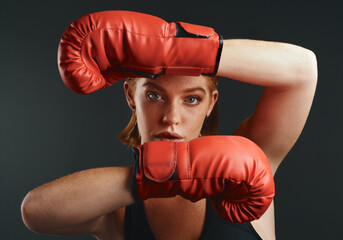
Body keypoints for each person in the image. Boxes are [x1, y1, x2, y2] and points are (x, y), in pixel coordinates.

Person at [21, 11, 317, 240]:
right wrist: (165, 174)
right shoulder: (115, 206)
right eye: (154, 95)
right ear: (130, 95)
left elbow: (303, 71)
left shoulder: (245, 172)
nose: (171, 117)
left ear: (211, 102)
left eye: (191, 99)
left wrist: (175, 48)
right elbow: (35, 212)